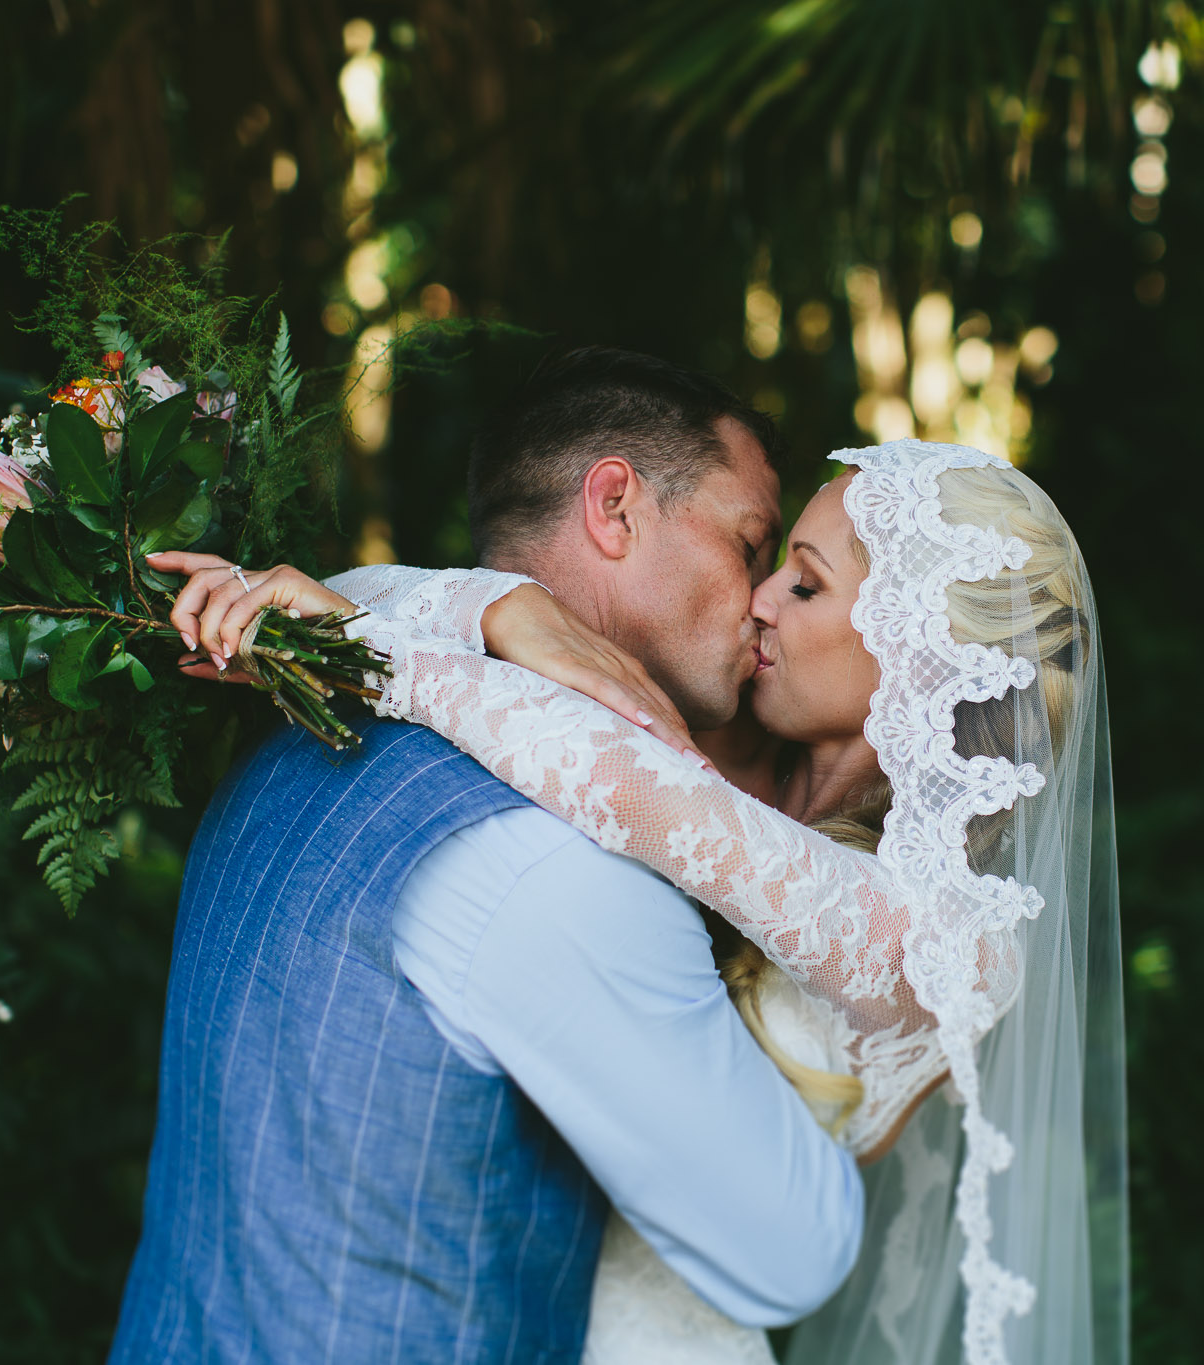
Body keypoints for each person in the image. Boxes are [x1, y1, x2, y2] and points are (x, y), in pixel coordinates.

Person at [167, 431, 1129, 1364]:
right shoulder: (740, 756)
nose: (759, 600)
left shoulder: (958, 944)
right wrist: (497, 608)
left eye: (804, 583)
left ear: (918, 653)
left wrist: (370, 643)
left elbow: (634, 786)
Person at [109, 349, 864, 1365]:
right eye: (749, 543)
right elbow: (793, 1250)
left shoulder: (292, 727)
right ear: (614, 508)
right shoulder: (553, 859)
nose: (763, 598)